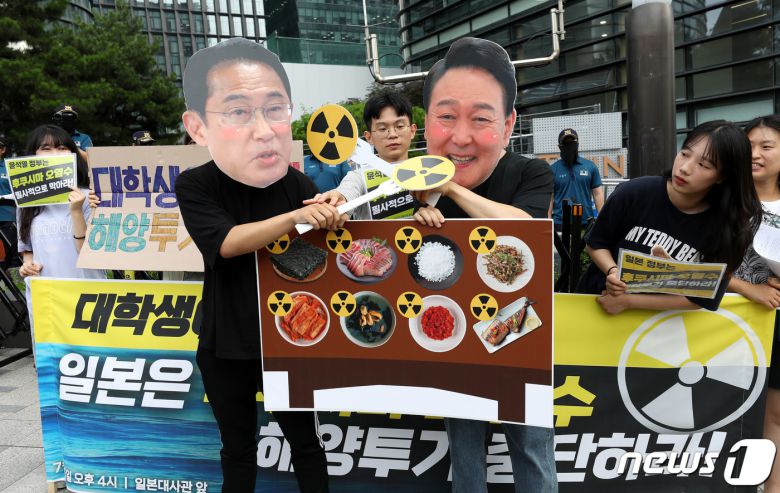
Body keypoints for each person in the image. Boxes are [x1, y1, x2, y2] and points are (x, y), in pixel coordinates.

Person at [174, 38, 343, 492]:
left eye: (274, 109)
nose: (264, 130)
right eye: (238, 111)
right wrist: (293, 218)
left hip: (292, 338)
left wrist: (334, 211)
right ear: (198, 126)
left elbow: (321, 254)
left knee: (307, 444)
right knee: (237, 448)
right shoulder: (195, 185)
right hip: (225, 342)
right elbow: (226, 243)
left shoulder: (297, 183)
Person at [412, 37, 557, 493]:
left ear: (509, 123)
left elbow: (527, 228)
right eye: (446, 116)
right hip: (451, 332)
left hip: (520, 323)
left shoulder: (531, 172)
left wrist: (449, 188)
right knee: (465, 448)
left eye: (480, 119)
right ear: (427, 121)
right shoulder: (413, 182)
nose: (461, 137)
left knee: (531, 446)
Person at [579, 120, 762, 315]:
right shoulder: (634, 192)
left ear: (722, 176)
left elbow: (701, 298)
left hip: (660, 324)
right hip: (597, 306)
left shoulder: (727, 227)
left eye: (703, 164)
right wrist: (612, 271)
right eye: (684, 154)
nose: (685, 168)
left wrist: (629, 301)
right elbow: (596, 243)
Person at [728, 115, 780, 491]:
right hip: (722, 321)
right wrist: (747, 288)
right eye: (748, 147)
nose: (755, 154)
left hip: (775, 321)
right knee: (722, 404)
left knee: (775, 414)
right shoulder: (724, 199)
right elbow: (702, 264)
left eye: (766, 146)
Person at [16, 125, 105, 329]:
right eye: (46, 148)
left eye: (62, 148)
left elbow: (88, 253)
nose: (55, 154)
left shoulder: (90, 196)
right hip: (46, 297)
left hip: (87, 295)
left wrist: (76, 211)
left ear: (73, 154)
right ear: (33, 155)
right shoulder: (26, 201)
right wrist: (27, 265)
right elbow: (27, 250)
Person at [306, 89, 419, 219]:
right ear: (369, 137)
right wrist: (338, 200)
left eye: (399, 126)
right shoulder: (359, 177)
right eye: (382, 129)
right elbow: (347, 191)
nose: (392, 134)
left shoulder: (427, 171)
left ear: (412, 130)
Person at [551, 128, 604, 231]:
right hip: (560, 224)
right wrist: (548, 222)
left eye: (572, 142)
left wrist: (602, 219)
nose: (569, 145)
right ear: (560, 146)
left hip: (586, 223)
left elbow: (598, 194)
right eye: (566, 143)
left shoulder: (590, 166)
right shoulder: (553, 169)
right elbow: (550, 198)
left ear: (578, 143)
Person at [0, 133, 19, 269]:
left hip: (8, 216)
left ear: (3, 150)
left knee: (13, 254)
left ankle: (13, 280)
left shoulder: (10, 167)